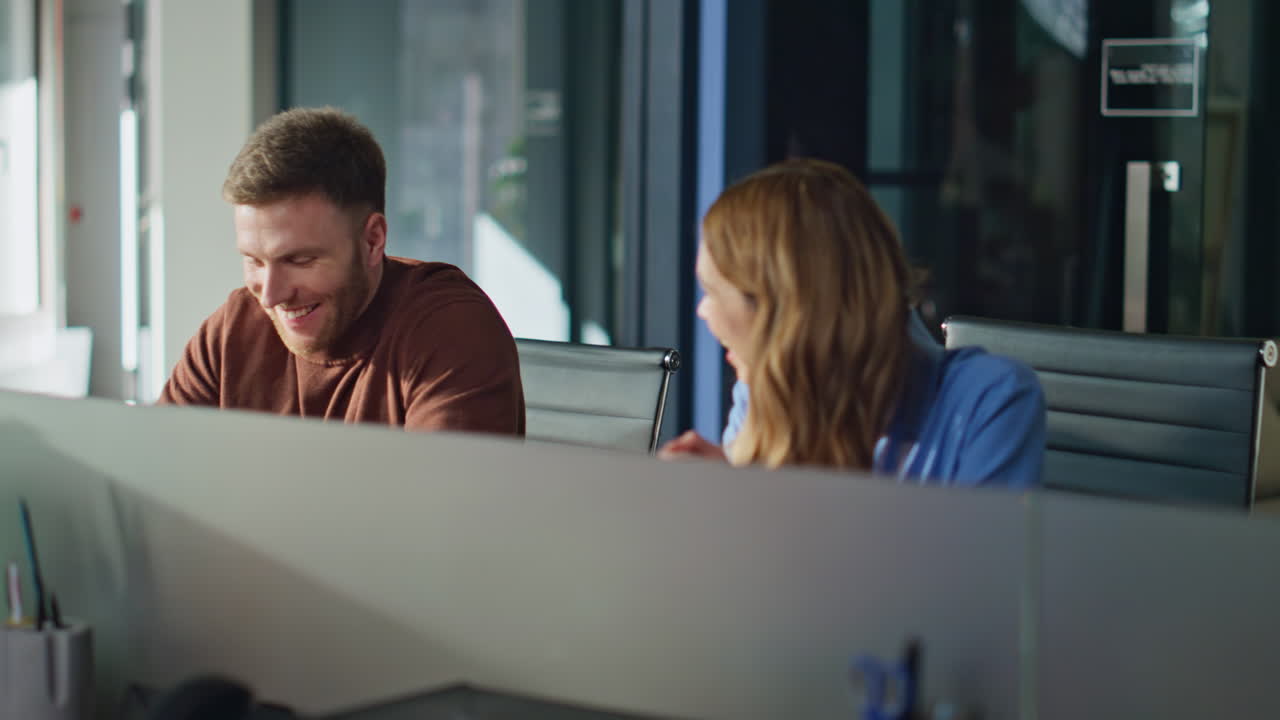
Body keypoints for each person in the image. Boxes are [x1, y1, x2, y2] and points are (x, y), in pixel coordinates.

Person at [660, 158, 1044, 487]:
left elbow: (974, 571)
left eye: (711, 291)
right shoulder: (767, 391)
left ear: (782, 313)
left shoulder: (988, 402)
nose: (702, 311)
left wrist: (746, 498)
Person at [157, 107, 525, 436]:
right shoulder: (231, 333)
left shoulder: (451, 330)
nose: (270, 295)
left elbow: (443, 508)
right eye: (254, 260)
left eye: (299, 260)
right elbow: (152, 475)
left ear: (372, 240)